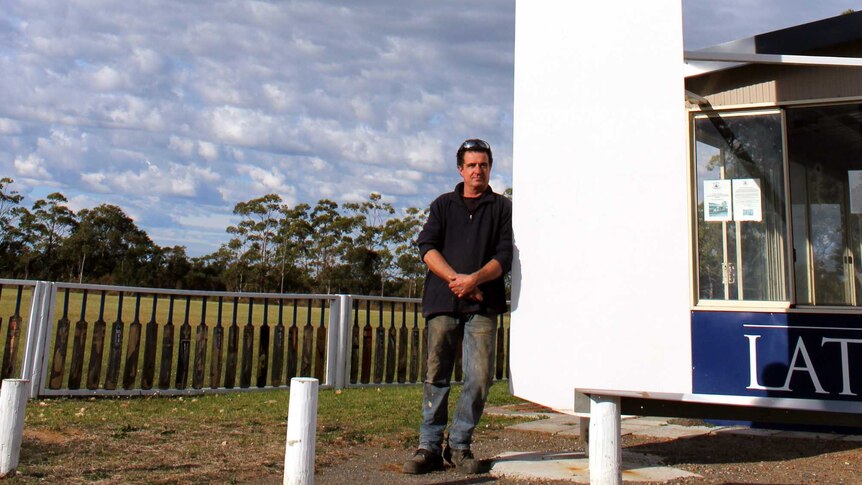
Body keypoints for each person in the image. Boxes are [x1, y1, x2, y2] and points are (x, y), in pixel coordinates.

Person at [402, 138, 513, 475]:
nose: (477, 170)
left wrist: (475, 279)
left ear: (490, 168)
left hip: (483, 306)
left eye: (483, 164)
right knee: (436, 375)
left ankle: (460, 445)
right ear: (460, 169)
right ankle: (429, 447)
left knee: (479, 378)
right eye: (471, 165)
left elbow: (505, 256)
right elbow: (426, 247)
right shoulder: (443, 205)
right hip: (443, 302)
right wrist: (457, 280)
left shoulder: (502, 208)